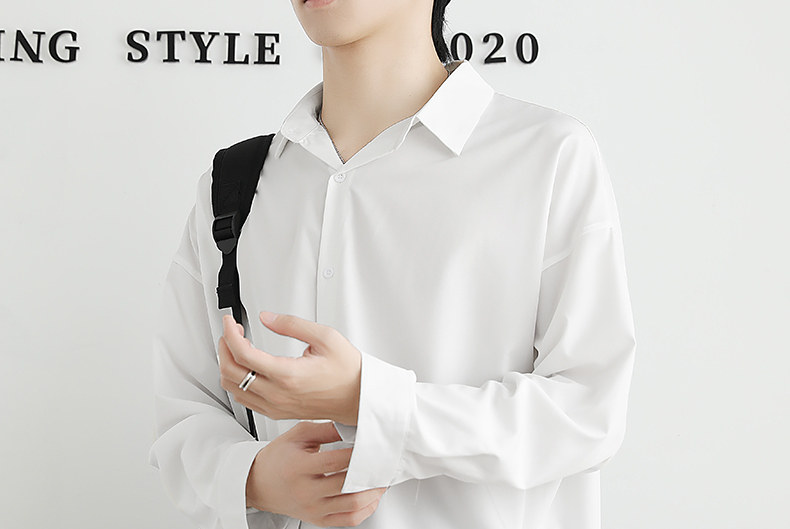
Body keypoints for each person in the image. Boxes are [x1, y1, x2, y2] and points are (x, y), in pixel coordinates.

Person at [148, 0, 637, 527]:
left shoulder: (547, 156)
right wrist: (255, 477)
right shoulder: (234, 187)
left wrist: (370, 402)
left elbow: (587, 412)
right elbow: (185, 410)